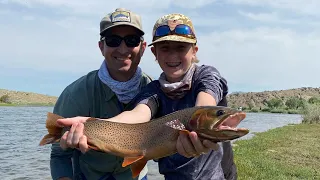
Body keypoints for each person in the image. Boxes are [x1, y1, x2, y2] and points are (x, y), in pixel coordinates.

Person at [57, 13, 238, 180]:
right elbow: (136, 115)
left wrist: (201, 125)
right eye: (165, 48)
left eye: (181, 47)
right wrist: (91, 124)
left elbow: (205, 105)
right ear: (154, 53)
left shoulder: (206, 75)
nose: (173, 55)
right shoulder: (153, 90)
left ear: (194, 51)